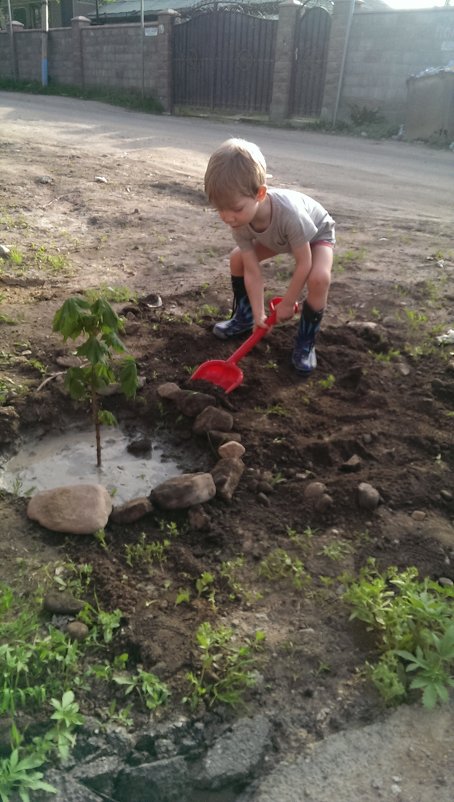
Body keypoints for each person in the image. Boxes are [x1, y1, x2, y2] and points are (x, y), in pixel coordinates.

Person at [204, 138, 335, 374]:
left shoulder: (290, 215)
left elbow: (303, 263)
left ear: (260, 193)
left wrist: (287, 303)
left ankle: (306, 343)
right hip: (279, 236)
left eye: (235, 209)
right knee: (238, 259)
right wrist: (259, 314)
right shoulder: (239, 222)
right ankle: (243, 319)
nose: (227, 217)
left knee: (319, 278)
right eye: (219, 209)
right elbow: (252, 270)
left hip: (315, 233)